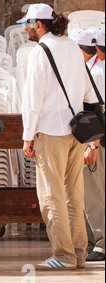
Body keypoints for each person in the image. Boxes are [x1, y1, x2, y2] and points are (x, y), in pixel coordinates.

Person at [18, 4, 97, 270]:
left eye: (27, 23)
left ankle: (63, 255)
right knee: (73, 195)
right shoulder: (73, 48)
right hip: (76, 131)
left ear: (38, 25)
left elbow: (33, 99)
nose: (25, 29)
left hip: (51, 130)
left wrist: (27, 136)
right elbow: (88, 93)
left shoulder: (40, 52)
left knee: (51, 195)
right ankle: (78, 254)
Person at [69, 28, 105, 262]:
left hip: (96, 138)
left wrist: (92, 145)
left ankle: (100, 242)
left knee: (94, 191)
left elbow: (98, 111)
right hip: (96, 137)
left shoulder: (99, 71)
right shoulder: (94, 68)